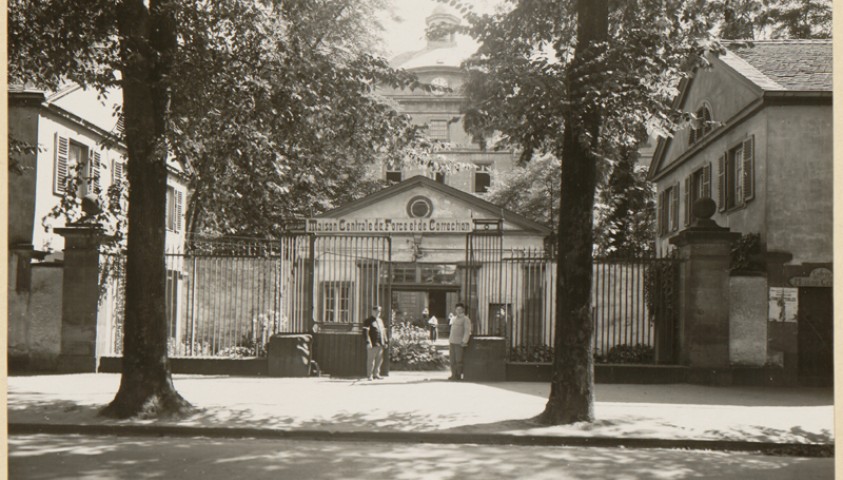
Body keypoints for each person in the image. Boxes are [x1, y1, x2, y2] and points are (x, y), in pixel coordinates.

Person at [362, 305, 387, 380]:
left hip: (380, 343)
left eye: (379, 311)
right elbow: (365, 333)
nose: (378, 313)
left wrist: (385, 342)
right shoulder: (368, 321)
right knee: (371, 361)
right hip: (372, 344)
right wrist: (368, 342)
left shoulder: (380, 321)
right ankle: (369, 376)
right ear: (373, 311)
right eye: (376, 311)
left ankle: (376, 374)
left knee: (379, 360)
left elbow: (383, 332)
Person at [448, 303, 471, 381]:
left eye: (460, 309)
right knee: (452, 360)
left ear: (463, 310)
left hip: (459, 343)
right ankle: (453, 374)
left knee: (458, 360)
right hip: (452, 342)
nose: (458, 311)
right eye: (457, 309)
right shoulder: (454, 318)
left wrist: (464, 341)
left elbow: (467, 331)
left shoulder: (465, 319)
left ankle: (458, 375)